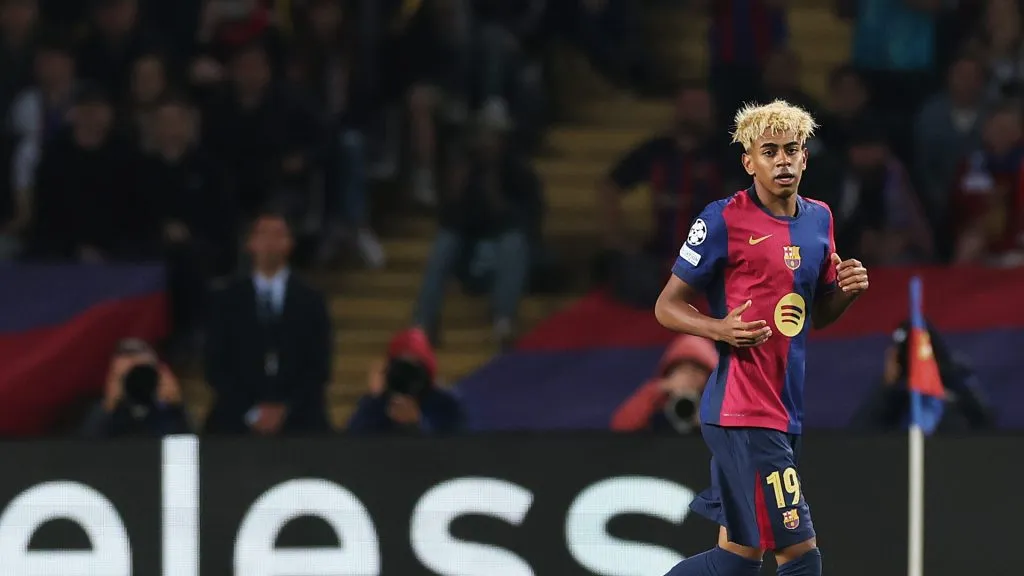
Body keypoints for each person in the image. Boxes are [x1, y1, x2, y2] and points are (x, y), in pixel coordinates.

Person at [653, 100, 870, 576]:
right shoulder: (721, 220)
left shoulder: (820, 220)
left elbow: (816, 317)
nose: (782, 160)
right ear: (748, 161)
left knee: (737, 559)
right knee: (800, 556)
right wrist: (718, 328)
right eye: (769, 151)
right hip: (742, 408)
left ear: (805, 157)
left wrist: (846, 293)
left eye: (791, 150)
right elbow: (666, 306)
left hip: (784, 407)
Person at [204, 210, 332, 435]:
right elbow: (215, 365)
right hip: (236, 415)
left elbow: (319, 366)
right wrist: (252, 411)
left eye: (278, 234)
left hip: (300, 417)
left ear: (290, 243)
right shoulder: (226, 300)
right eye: (263, 234)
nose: (270, 242)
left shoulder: (312, 300)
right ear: (250, 243)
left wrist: (284, 409)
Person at [851, 319, 995, 432]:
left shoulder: (958, 385)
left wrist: (947, 392)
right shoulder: (895, 399)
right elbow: (859, 436)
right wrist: (887, 385)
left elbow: (986, 425)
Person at [346, 327, 466, 434]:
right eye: (401, 369)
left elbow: (459, 447)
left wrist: (419, 424)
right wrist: (375, 399)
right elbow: (352, 443)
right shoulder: (376, 405)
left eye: (414, 369)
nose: (407, 377)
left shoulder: (446, 405)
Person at [80, 338, 191, 438]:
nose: (136, 380)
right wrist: (108, 406)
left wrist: (177, 405)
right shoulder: (103, 413)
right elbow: (83, 453)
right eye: (126, 376)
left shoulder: (167, 412)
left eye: (142, 373)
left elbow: (188, 455)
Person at [610, 333, 717, 434]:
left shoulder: (719, 402)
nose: (688, 377)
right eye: (681, 370)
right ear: (668, 374)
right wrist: (656, 390)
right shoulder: (656, 402)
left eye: (696, 370)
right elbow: (620, 429)